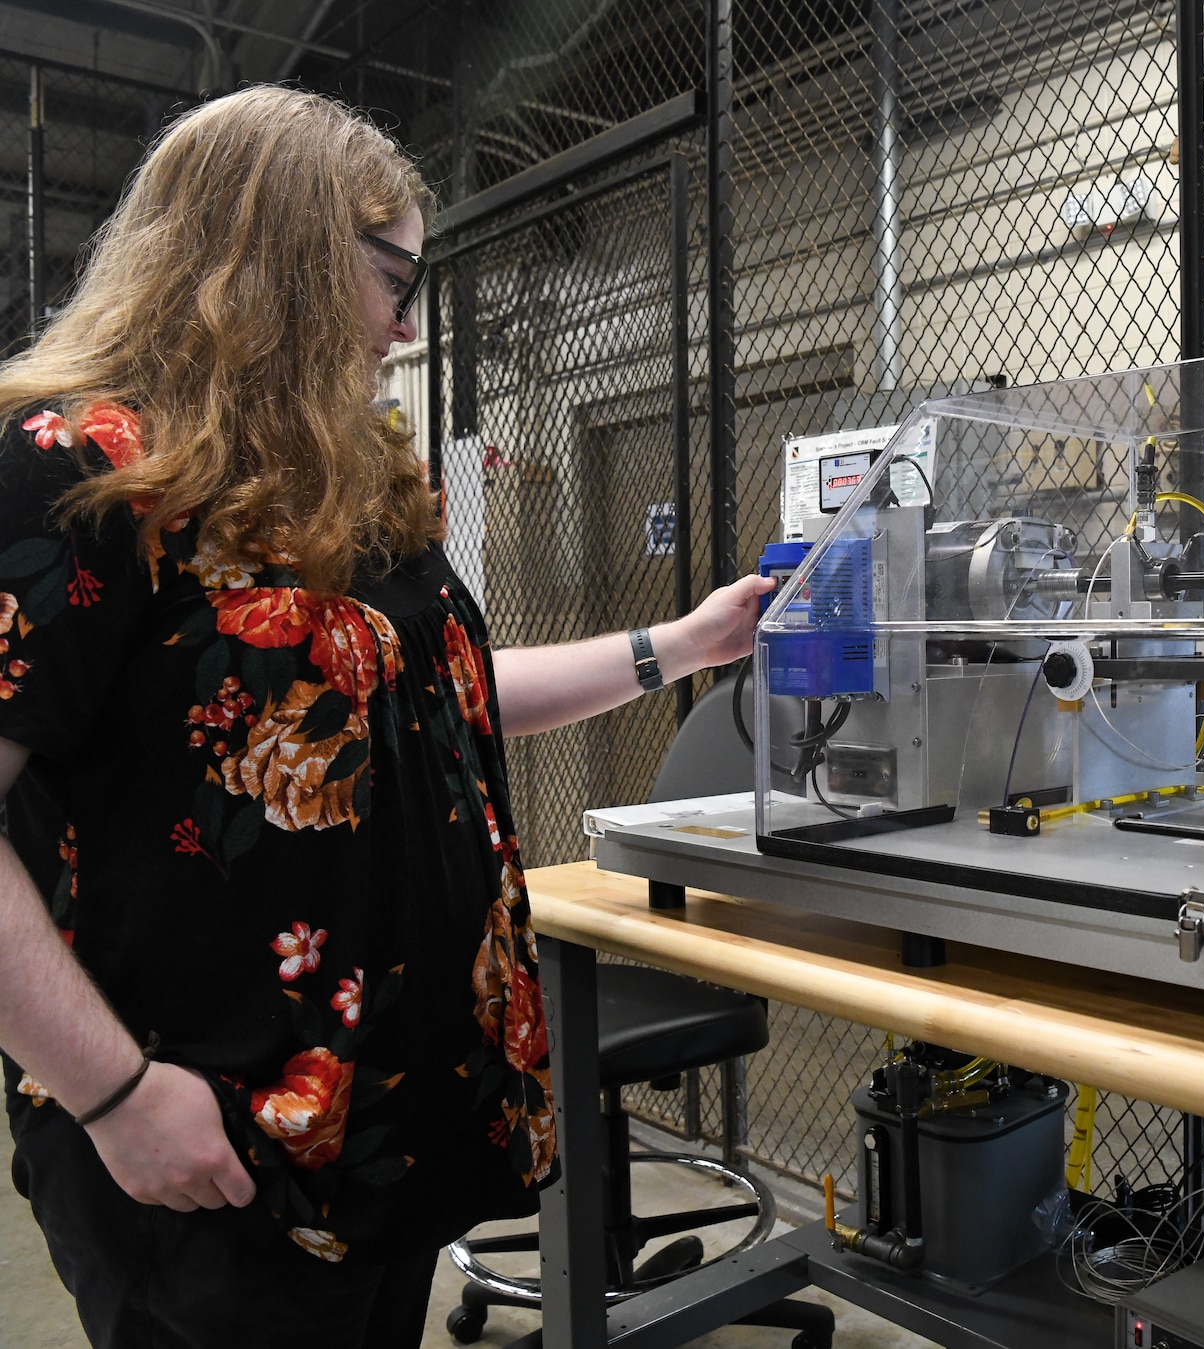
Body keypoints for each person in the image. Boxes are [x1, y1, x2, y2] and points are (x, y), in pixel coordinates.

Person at [0, 85, 771, 1346]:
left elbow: (433, 701)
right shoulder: (84, 463)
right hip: (207, 1133)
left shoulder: (343, 474)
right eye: (391, 277)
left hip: (398, 1123)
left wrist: (677, 645)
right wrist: (114, 1090)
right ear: (286, 260)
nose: (403, 325)